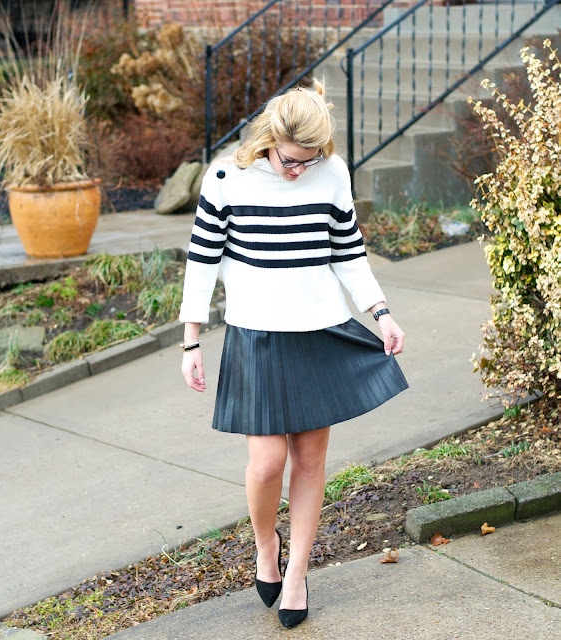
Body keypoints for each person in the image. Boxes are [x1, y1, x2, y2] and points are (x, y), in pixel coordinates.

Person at [180, 79, 407, 629]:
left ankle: (299, 573)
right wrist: (191, 340)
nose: (298, 170)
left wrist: (380, 312)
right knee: (266, 464)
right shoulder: (227, 177)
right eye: (290, 160)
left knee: (309, 461)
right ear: (270, 138)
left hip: (319, 333)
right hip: (255, 336)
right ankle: (266, 545)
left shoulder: (331, 172)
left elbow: (348, 252)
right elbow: (202, 262)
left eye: (309, 161)